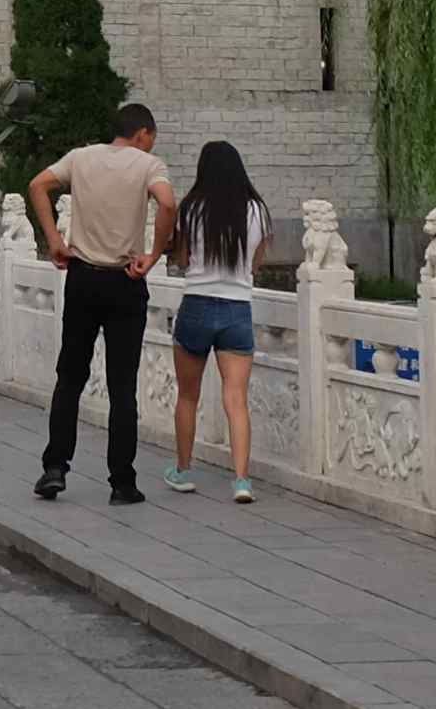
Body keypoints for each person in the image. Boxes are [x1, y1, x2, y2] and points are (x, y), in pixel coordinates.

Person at [24, 101, 173, 507]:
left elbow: (37, 185)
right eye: (151, 138)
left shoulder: (80, 157)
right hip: (126, 280)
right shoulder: (149, 165)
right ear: (142, 133)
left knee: (70, 376)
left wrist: (54, 240)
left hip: (83, 278)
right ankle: (122, 482)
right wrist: (153, 255)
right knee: (122, 386)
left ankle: (55, 468)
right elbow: (168, 204)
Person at [164, 139, 266, 499]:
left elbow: (181, 259)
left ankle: (182, 471)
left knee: (187, 396)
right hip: (237, 308)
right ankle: (241, 480)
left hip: (197, 304)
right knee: (236, 399)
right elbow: (256, 263)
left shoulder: (191, 208)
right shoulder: (257, 210)